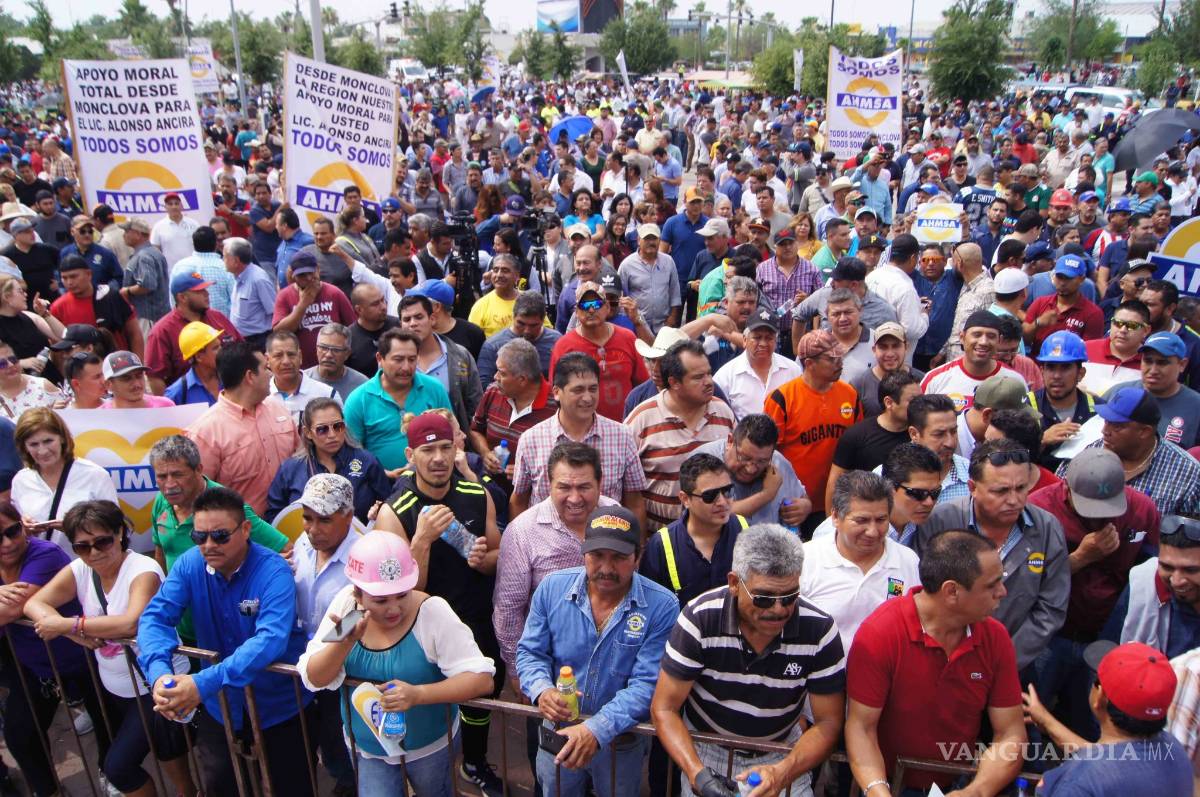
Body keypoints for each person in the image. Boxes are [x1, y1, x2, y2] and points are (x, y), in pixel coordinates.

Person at [137, 486, 318, 794]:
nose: (208, 545)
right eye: (199, 537)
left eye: (220, 536)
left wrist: (200, 683)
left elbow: (270, 640)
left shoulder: (273, 571)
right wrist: (159, 677)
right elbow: (154, 618)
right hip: (220, 708)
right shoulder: (189, 564)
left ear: (246, 529)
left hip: (280, 709)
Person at [652, 524, 845, 797]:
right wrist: (698, 774)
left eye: (789, 596)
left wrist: (782, 772)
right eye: (764, 598)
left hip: (783, 753)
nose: (779, 610)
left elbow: (828, 723)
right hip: (707, 751)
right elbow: (664, 709)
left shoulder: (819, 629)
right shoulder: (700, 618)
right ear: (734, 583)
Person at [298, 530, 495, 797]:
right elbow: (316, 677)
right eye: (380, 600)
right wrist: (344, 642)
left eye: (402, 595)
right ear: (358, 593)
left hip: (429, 748)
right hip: (368, 750)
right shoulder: (348, 611)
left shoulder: (432, 613)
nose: (393, 609)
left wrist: (419, 694)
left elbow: (481, 678)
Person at [373, 411, 507, 793]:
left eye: (446, 447)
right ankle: (422, 774)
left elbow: (498, 554)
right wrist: (422, 541)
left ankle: (475, 762)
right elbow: (399, 592)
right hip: (421, 628)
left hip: (473, 619)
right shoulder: (393, 512)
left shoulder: (477, 495)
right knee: (425, 703)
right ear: (410, 455)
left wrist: (485, 561)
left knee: (480, 695)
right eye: (428, 450)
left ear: (457, 448)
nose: (438, 458)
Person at [23, 500, 195, 797]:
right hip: (116, 687)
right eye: (82, 546)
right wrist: (74, 633)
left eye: (102, 541)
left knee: (119, 767)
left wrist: (67, 626)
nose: (94, 553)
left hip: (153, 681)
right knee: (166, 749)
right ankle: (188, 791)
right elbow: (34, 603)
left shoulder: (143, 569)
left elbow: (130, 623)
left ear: (119, 533)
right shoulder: (81, 570)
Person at [844, 530, 1026, 796]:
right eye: (991, 585)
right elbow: (861, 727)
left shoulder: (995, 638)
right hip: (892, 783)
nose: (1003, 592)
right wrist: (877, 791)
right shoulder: (881, 633)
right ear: (951, 591)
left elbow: (1011, 732)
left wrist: (975, 791)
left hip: (961, 781)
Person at [517, 505, 677, 797]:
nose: (606, 568)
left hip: (622, 741)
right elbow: (530, 652)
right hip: (558, 732)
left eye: (619, 558)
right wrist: (542, 690)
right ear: (583, 553)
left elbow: (648, 684)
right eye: (597, 556)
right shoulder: (551, 588)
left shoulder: (662, 606)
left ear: (638, 557)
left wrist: (596, 729)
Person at [1026, 447, 1160, 739]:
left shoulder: (1141, 509)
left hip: (1106, 639)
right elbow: (1024, 583)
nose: (1099, 517)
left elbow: (1149, 575)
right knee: (1031, 721)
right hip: (1049, 635)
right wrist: (1080, 558)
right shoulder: (1038, 510)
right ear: (1067, 487)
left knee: (1097, 725)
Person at [917, 439, 1070, 672]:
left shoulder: (1047, 528)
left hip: (1016, 666)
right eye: (1001, 491)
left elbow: (1051, 608)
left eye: (1021, 488)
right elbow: (922, 594)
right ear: (972, 488)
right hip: (944, 661)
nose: (1014, 500)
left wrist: (1004, 659)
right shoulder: (940, 522)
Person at [0, 497, 111, 797]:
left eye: (12, 531)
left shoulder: (45, 554)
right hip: (36, 666)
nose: (8, 542)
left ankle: (112, 776)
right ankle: (48, 791)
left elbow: (9, 612)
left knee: (106, 726)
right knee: (20, 734)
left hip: (85, 657)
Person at [147, 434, 289, 643]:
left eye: (177, 474)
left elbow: (287, 550)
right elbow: (161, 551)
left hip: (228, 637)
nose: (169, 484)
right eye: (161, 476)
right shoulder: (161, 502)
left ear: (198, 470)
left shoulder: (229, 508)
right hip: (182, 634)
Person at [1025, 641, 1192, 796]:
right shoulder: (1173, 750)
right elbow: (1110, 757)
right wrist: (1046, 721)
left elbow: (1101, 764)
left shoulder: (1079, 782)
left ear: (1100, 696)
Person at [509, 353, 645, 521]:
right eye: (578, 390)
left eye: (593, 389)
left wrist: (637, 546)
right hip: (547, 542)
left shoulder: (622, 436)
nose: (588, 398)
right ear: (557, 392)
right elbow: (519, 501)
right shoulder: (531, 440)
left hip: (606, 541)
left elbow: (634, 502)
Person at [802, 471, 921, 651]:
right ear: (835, 517)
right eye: (861, 520)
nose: (872, 531)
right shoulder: (805, 560)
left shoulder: (908, 561)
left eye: (881, 520)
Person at [626, 340, 736, 529]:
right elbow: (627, 490)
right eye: (698, 377)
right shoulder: (641, 419)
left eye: (709, 373)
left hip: (716, 536)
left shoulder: (723, 412)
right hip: (659, 541)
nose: (709, 381)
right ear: (674, 383)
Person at [185, 341, 299, 515]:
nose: (271, 374)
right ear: (250, 377)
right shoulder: (204, 433)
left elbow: (301, 460)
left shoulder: (278, 407)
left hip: (293, 526)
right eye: (266, 368)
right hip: (242, 536)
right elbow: (196, 498)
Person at [766, 330, 863, 531]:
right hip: (793, 506)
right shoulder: (782, 398)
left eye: (840, 357)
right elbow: (767, 456)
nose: (840, 363)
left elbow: (858, 447)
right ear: (809, 363)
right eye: (832, 359)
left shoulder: (849, 394)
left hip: (839, 501)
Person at [1063, 386, 1200, 516]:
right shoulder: (1085, 454)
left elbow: (1191, 535)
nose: (1105, 431)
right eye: (1106, 421)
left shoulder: (1188, 472)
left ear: (1144, 431)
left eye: (1117, 426)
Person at [639, 453, 750, 606]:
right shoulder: (661, 545)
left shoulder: (746, 531)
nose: (722, 502)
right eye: (710, 496)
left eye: (727, 491)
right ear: (685, 499)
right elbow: (650, 606)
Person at [343, 328, 453, 472]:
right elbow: (351, 454)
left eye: (412, 359)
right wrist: (383, 474)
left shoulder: (434, 388)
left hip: (433, 480)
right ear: (380, 359)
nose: (406, 367)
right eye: (398, 359)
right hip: (379, 486)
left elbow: (451, 436)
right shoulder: (359, 399)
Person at [10, 407, 118, 554]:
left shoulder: (94, 475)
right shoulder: (21, 480)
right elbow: (13, 531)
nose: (42, 451)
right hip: (40, 565)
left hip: (87, 565)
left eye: (48, 441)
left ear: (62, 438)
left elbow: (115, 526)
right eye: (33, 444)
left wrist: (76, 527)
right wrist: (24, 527)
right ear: (24, 447)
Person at [267, 399, 391, 524]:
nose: (332, 435)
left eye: (338, 426)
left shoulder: (367, 461)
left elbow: (388, 505)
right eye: (322, 429)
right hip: (305, 541)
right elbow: (275, 517)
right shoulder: (290, 469)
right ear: (307, 433)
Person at [550, 280, 649, 421]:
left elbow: (643, 385)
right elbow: (557, 394)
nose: (591, 310)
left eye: (596, 304)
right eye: (584, 305)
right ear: (576, 312)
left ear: (607, 307)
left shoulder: (627, 337)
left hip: (626, 425)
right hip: (582, 428)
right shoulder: (564, 346)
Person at [826, 372, 921, 508]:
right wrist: (833, 525)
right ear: (889, 402)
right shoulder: (857, 435)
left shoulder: (920, 434)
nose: (920, 406)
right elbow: (834, 484)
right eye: (913, 401)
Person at [143, 271, 242, 393]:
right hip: (190, 402)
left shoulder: (217, 317)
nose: (207, 294)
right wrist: (170, 408)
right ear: (182, 297)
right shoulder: (162, 331)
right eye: (199, 291)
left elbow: (241, 348)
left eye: (205, 289)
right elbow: (155, 377)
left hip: (231, 393)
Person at [398, 294, 482, 436]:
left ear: (432, 319)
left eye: (419, 317)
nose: (413, 323)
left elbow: (475, 405)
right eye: (407, 319)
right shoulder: (391, 362)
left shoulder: (460, 355)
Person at [920, 311, 1028, 412]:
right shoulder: (934, 379)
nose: (983, 342)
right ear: (962, 337)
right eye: (977, 335)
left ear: (999, 340)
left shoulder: (1015, 381)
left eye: (991, 336)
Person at [1109, 331, 1200, 449]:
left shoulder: (1196, 406)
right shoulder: (1118, 392)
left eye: (1162, 363)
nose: (1153, 370)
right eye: (1148, 361)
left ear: (1182, 365)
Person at [711, 310, 802, 420]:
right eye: (757, 337)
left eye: (769, 338)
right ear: (745, 340)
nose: (763, 343)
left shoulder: (793, 370)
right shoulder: (725, 376)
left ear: (775, 340)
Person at [271, 251, 357, 369]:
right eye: (302, 275)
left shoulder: (334, 293)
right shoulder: (285, 296)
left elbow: (353, 327)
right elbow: (279, 333)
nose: (308, 278)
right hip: (302, 368)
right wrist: (303, 305)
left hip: (334, 365)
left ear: (317, 269)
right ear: (293, 276)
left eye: (310, 273)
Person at [50, 254, 144, 357]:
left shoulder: (110, 296)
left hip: (119, 363)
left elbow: (134, 332)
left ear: (89, 274)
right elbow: (57, 347)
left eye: (73, 276)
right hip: (83, 369)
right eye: (64, 278)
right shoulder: (57, 307)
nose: (69, 282)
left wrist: (138, 364)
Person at [476, 290, 561, 388]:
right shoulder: (493, 345)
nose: (527, 331)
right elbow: (483, 385)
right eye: (521, 324)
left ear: (543, 320)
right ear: (513, 316)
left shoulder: (557, 342)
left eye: (533, 325)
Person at [617, 223, 681, 334]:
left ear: (659, 240)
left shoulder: (668, 261)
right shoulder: (627, 265)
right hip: (637, 325)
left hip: (663, 326)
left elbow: (675, 292)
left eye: (654, 238)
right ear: (638, 240)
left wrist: (672, 319)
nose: (651, 242)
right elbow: (620, 297)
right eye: (646, 239)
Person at [118, 218, 171, 334]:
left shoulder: (144, 256)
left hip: (149, 317)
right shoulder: (153, 252)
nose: (124, 235)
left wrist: (127, 291)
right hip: (158, 314)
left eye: (127, 231)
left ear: (137, 234)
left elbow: (147, 284)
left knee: (149, 350)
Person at [223, 236, 276, 348]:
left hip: (258, 341)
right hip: (242, 341)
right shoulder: (237, 276)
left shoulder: (258, 279)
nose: (223, 260)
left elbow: (273, 312)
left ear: (236, 261)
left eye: (225, 257)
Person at [303, 322, 368, 401]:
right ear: (316, 349)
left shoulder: (361, 385)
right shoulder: (303, 380)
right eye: (323, 347)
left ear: (347, 354)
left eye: (336, 350)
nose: (328, 355)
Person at [0, 340, 64, 419]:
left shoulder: (42, 385)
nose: (10, 365)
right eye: (2, 364)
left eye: (13, 359)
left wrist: (55, 415)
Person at [100, 350, 176, 409]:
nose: (136, 384)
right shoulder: (100, 418)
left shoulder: (165, 407)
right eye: (126, 378)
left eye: (139, 376)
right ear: (108, 385)